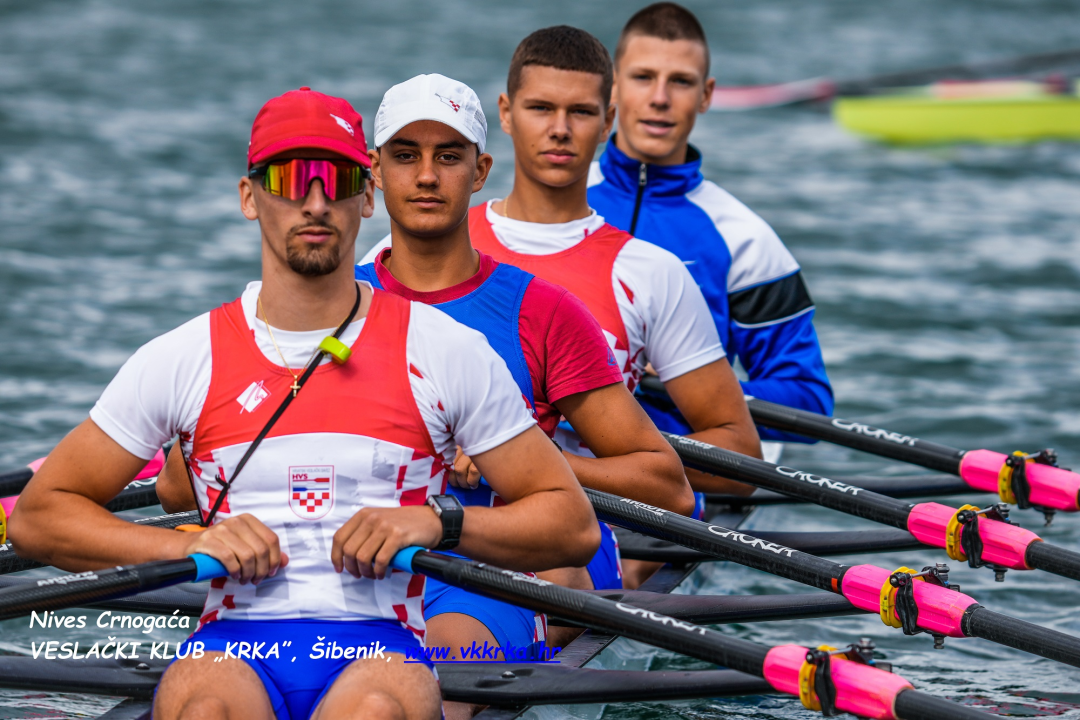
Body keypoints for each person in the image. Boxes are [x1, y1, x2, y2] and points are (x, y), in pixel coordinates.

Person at [10, 88, 599, 720]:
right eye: (291, 179)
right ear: (248, 195)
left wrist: (439, 523)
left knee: (373, 710)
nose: (315, 203)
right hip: (229, 648)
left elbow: (572, 526)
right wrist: (179, 549)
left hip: (380, 649)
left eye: (338, 179)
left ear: (366, 195)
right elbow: (38, 517)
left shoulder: (446, 349)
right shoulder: (183, 357)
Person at [355, 74, 693, 705]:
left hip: (504, 569)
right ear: (374, 171)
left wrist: (529, 458)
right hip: (357, 562)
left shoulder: (543, 313)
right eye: (405, 155)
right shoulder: (334, 301)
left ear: (480, 171)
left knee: (429, 691)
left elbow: (667, 486)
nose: (426, 176)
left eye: (448, 156)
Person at [587, 3, 833, 446]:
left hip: (679, 481)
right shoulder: (552, 205)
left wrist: (691, 383)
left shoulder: (746, 239)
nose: (659, 98)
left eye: (680, 81)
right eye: (643, 77)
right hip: (552, 464)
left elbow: (808, 404)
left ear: (706, 94)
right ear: (614, 86)